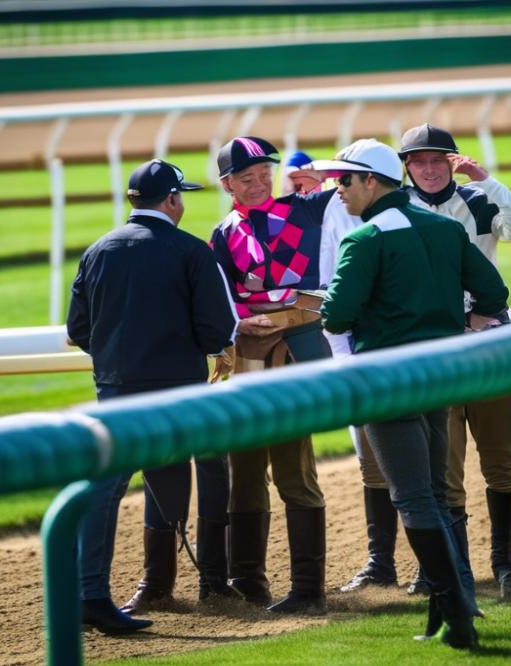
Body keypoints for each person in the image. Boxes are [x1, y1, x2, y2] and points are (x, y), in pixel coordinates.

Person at [315, 139, 511, 649]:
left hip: (389, 382)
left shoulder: (364, 239)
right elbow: (494, 292)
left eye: (346, 181)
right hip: (440, 376)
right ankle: (452, 604)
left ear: (371, 182)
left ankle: (459, 613)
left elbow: (335, 315)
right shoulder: (446, 228)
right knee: (435, 494)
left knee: (414, 497)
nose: (339, 191)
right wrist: (462, 320)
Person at [340, 124, 511, 598]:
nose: (429, 170)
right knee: (444, 475)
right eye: (419, 162)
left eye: (439, 161)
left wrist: (488, 181)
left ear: (452, 162)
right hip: (437, 354)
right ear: (405, 168)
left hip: (484, 348)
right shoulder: (398, 214)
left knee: (500, 464)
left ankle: (505, 565)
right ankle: (450, 568)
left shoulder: (476, 202)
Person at [66, 158, 237, 632]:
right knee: (204, 466)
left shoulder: (97, 250)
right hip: (177, 393)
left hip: (116, 390)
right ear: (172, 200)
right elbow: (217, 330)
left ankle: (92, 593)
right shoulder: (191, 250)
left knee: (105, 491)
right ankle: (215, 582)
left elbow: (78, 328)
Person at [209, 136, 337, 615]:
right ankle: (248, 580)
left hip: (301, 346)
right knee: (244, 463)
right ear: (228, 185)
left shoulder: (307, 208)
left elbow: (366, 192)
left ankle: (308, 589)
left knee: (292, 462)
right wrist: (241, 319)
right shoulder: (222, 233)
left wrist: (322, 182)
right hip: (251, 348)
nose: (261, 183)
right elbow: (221, 294)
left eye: (266, 173)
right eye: (247, 178)